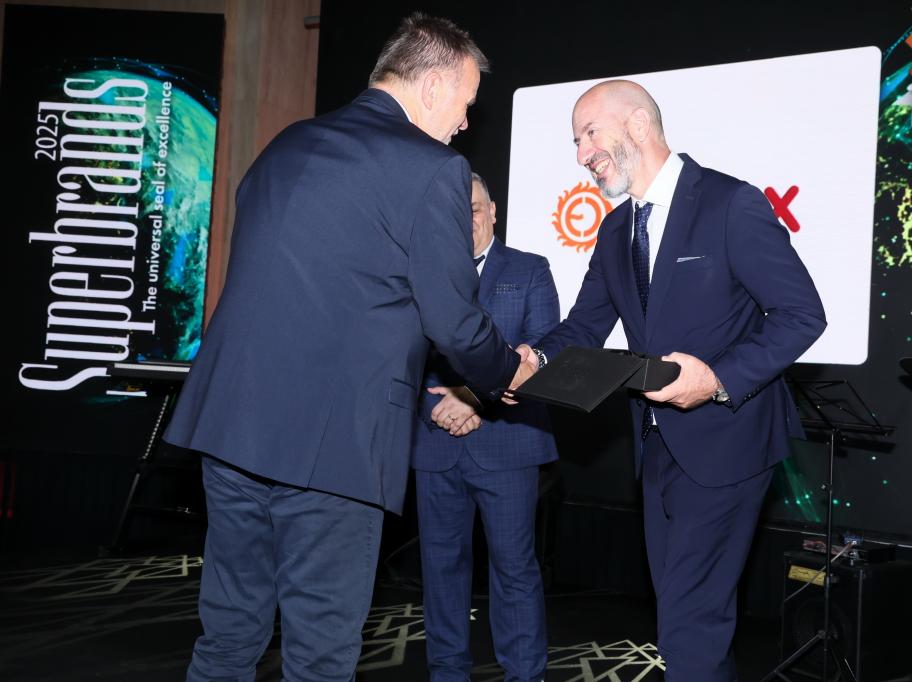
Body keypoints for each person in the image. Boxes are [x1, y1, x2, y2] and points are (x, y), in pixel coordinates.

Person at [163, 14, 535, 682]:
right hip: (333, 446)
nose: (464, 123)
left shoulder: (287, 144)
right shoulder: (434, 170)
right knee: (320, 659)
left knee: (227, 640)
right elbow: (455, 323)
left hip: (231, 428)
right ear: (431, 87)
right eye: (465, 103)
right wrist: (510, 369)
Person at [526, 80, 827, 682]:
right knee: (688, 621)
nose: (581, 154)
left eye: (589, 134)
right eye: (576, 141)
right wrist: (530, 358)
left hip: (728, 442)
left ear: (638, 126)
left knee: (688, 624)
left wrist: (717, 379)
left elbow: (802, 315)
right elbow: (584, 326)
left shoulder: (729, 204)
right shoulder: (616, 230)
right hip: (655, 448)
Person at [412, 172, 559, 682]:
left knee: (514, 570)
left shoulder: (531, 270)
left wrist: (473, 396)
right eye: (456, 212)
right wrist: (437, 404)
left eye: (474, 209)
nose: (466, 220)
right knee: (440, 572)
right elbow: (401, 355)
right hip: (435, 441)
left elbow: (543, 349)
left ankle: (524, 675)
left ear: (493, 211)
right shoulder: (419, 273)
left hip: (509, 445)